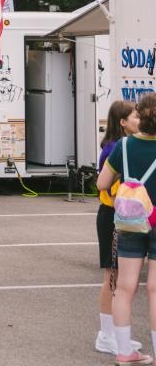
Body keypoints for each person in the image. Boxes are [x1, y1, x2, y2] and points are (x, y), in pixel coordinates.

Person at [98, 92, 156, 365]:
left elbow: (101, 183)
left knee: (124, 287)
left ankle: (124, 352)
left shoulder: (122, 146)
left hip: (130, 222)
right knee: (155, 289)